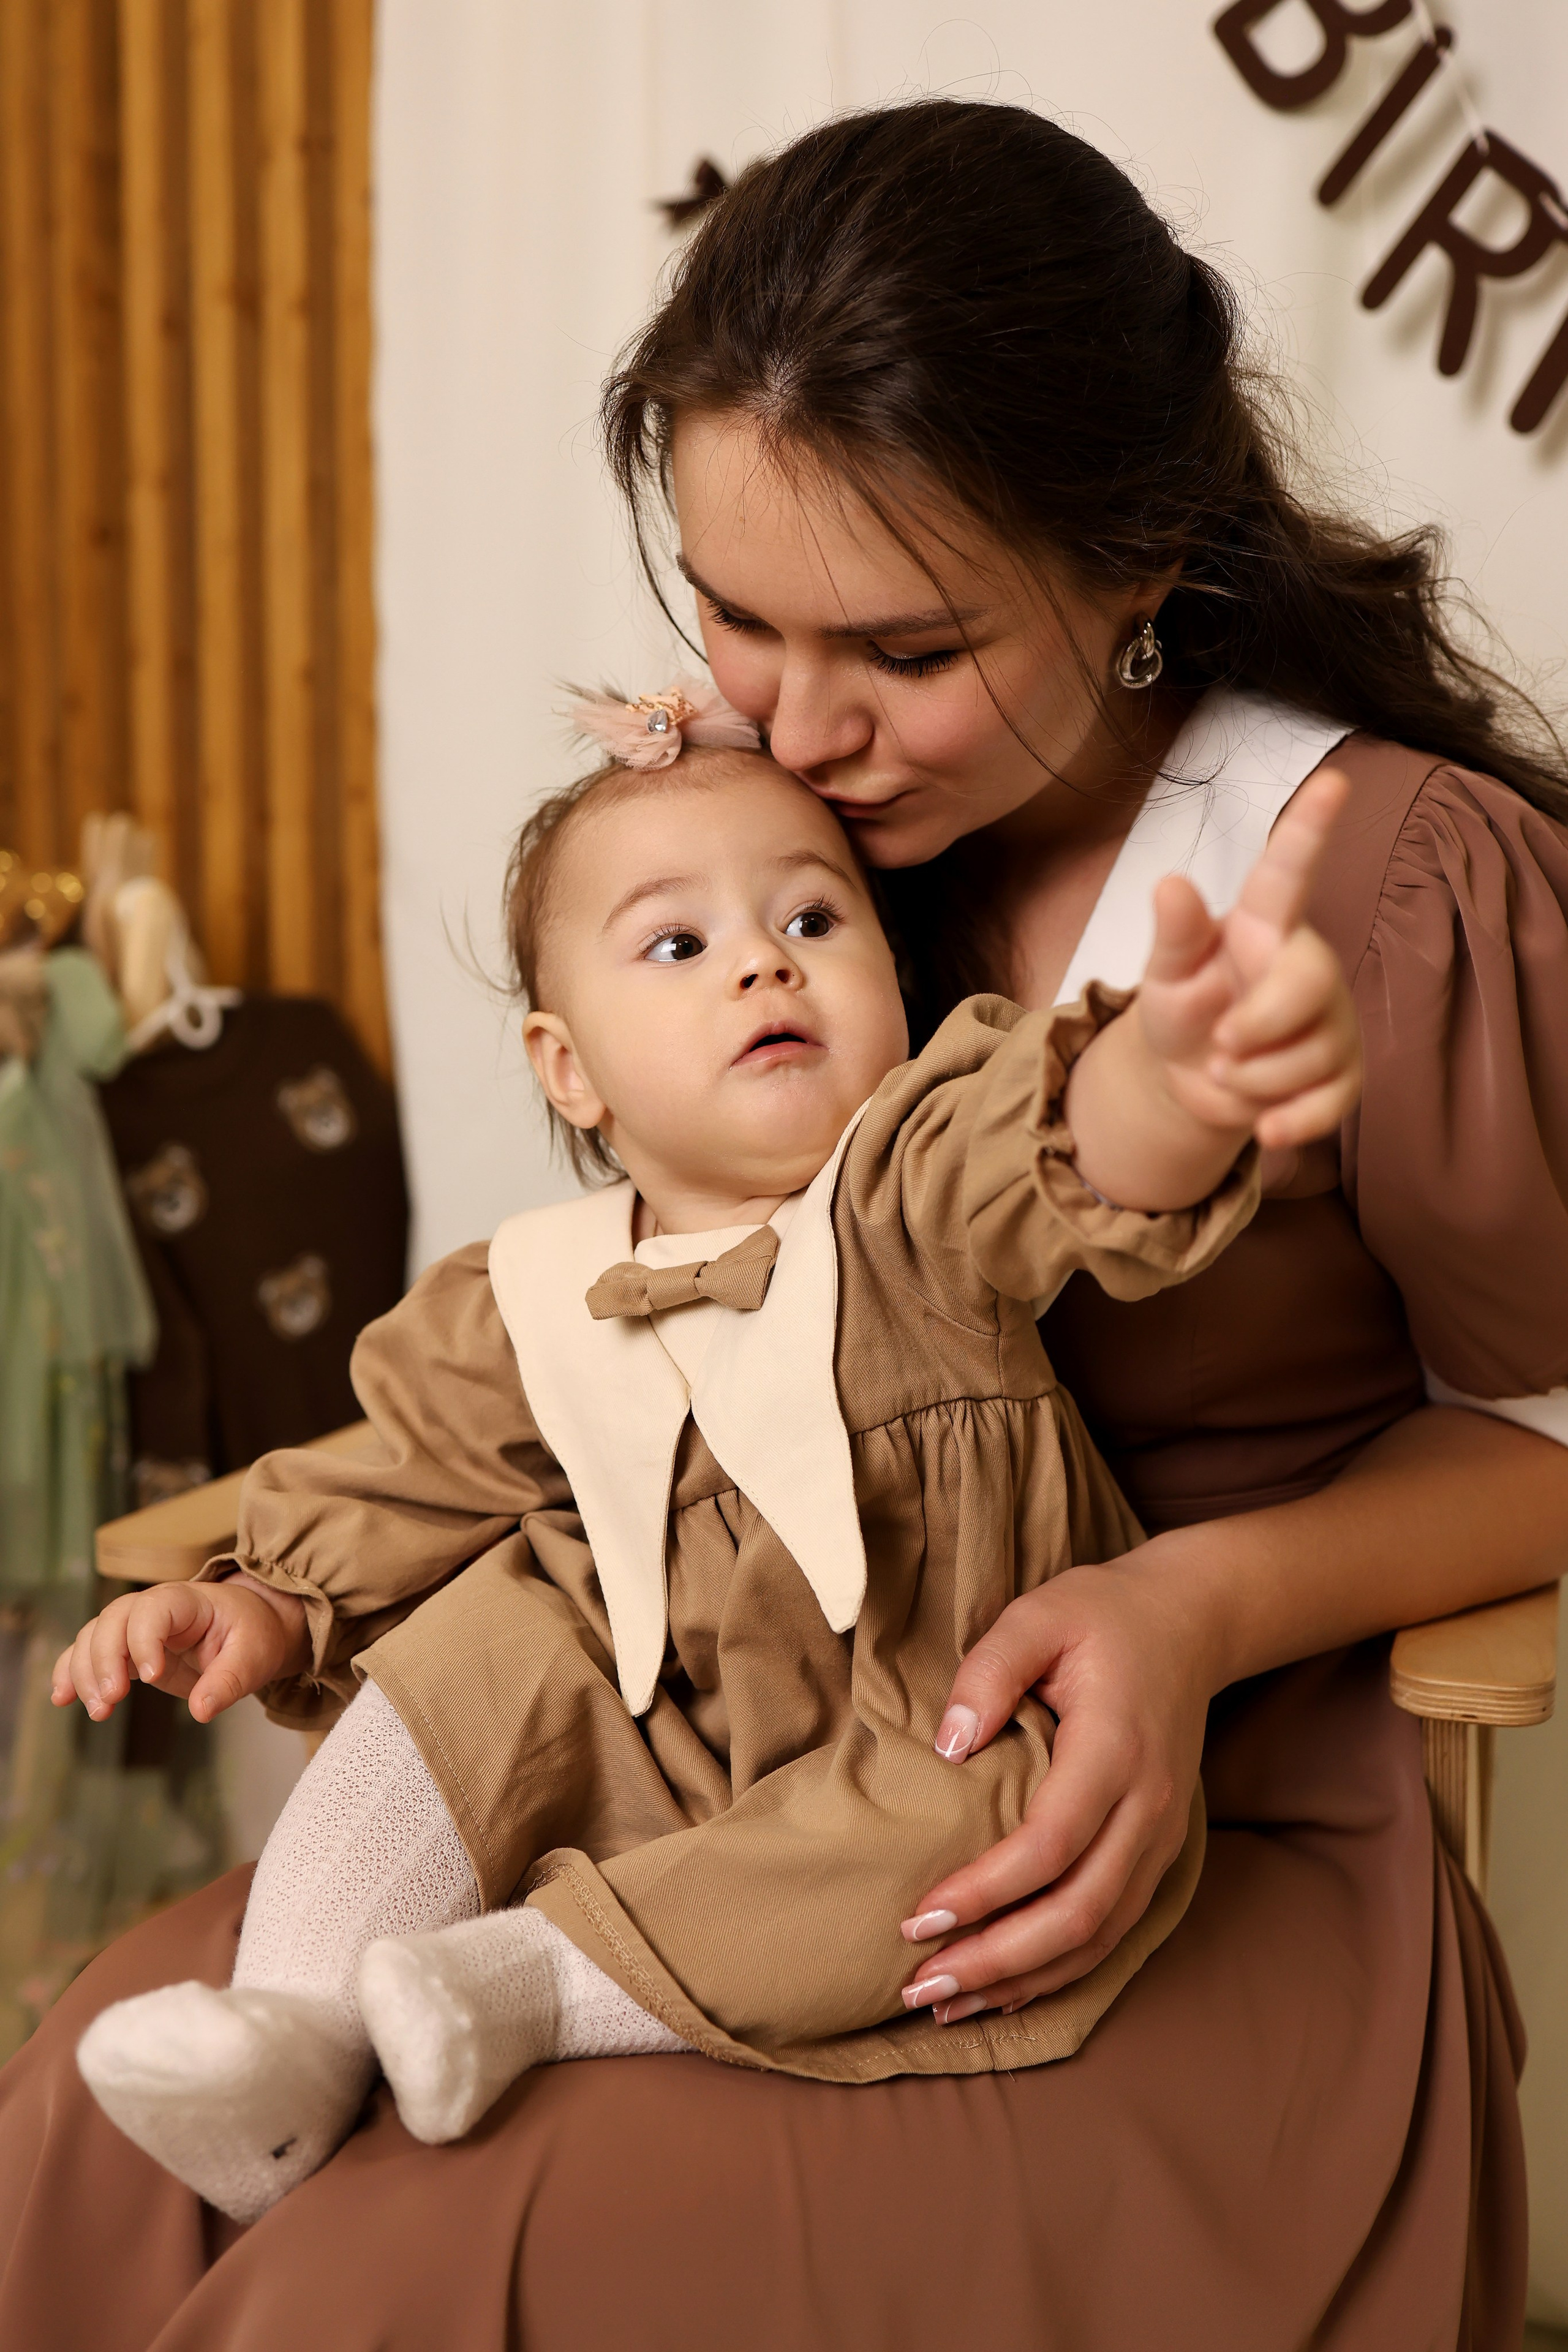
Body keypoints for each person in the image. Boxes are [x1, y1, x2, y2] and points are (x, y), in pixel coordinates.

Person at [2, 97, 1565, 2352]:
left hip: (1135, 1834)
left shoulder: (1388, 884)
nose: (808, 724)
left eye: (907, 650)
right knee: (97, 2108)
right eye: (737, 614)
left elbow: (1541, 1424)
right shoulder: (781, 850)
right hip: (711, 1750)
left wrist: (1192, 1608)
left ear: (1140, 559)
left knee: (403, 2254)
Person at [59, 718, 1357, 2225]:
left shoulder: (902, 1193)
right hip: (648, 1747)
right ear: (569, 1067)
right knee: (494, 1633)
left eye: (810, 921)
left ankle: (514, 1987)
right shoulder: (523, 1296)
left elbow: (1056, 1144)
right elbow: (401, 1489)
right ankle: (290, 2025)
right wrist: (262, 1609)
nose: (761, 966)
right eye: (677, 945)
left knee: (1000, 1797)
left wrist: (1173, 1080)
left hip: (912, 1732)